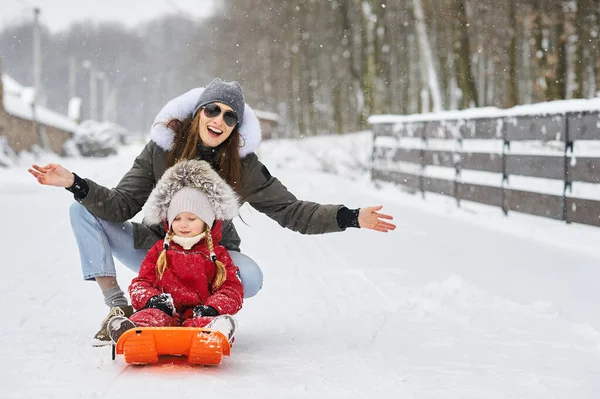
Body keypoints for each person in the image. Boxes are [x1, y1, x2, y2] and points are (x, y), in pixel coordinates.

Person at [28, 78, 396, 346]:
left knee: (250, 276)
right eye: (213, 109)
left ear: (236, 127)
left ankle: (201, 315)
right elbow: (122, 204)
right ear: (199, 112)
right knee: (83, 212)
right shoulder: (161, 151)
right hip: (158, 253)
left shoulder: (242, 166)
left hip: (210, 257)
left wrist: (350, 216)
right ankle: (118, 308)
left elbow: (291, 210)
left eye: (230, 116)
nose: (219, 119)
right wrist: (75, 183)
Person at [108, 159, 242, 344]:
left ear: (206, 221)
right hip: (164, 310)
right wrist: (152, 300)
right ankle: (133, 335)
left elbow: (231, 288)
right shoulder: (160, 250)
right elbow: (141, 283)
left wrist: (214, 308)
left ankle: (212, 337)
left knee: (206, 323)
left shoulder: (217, 254)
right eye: (177, 218)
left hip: (199, 312)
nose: (183, 224)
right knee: (150, 317)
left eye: (191, 218)